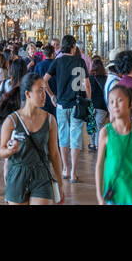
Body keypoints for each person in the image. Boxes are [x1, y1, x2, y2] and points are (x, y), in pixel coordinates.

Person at [0, 72, 63, 205]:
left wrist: (60, 182)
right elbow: (2, 151)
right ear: (28, 94)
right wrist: (10, 151)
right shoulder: (12, 121)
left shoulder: (50, 120)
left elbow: (55, 154)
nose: (44, 95)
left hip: (42, 174)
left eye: (44, 90)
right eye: (40, 91)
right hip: (17, 174)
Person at [96, 83, 132, 205]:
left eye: (119, 100)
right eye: (111, 102)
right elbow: (99, 165)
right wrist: (99, 194)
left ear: (131, 104)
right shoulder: (105, 132)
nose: (115, 105)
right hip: (114, 189)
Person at [45, 34, 89, 182]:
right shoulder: (80, 61)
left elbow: (44, 81)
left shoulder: (58, 62)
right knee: (76, 137)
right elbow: (86, 84)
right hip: (77, 104)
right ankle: (73, 173)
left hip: (62, 105)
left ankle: (65, 168)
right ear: (74, 47)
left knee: (63, 137)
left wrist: (51, 96)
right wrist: (88, 100)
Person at [88, 55, 109, 153]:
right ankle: (98, 145)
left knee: (92, 125)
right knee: (99, 126)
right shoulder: (106, 78)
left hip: (91, 105)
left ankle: (92, 143)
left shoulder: (89, 78)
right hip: (102, 106)